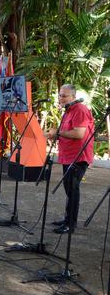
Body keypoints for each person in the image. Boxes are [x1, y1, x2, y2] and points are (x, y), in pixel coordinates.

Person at [45, 84, 94, 234]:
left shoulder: (80, 110)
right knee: (69, 188)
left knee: (72, 189)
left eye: (64, 96)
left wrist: (57, 133)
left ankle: (70, 224)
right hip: (68, 156)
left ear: (73, 96)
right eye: (60, 95)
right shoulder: (68, 111)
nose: (61, 98)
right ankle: (67, 219)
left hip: (78, 157)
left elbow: (79, 134)